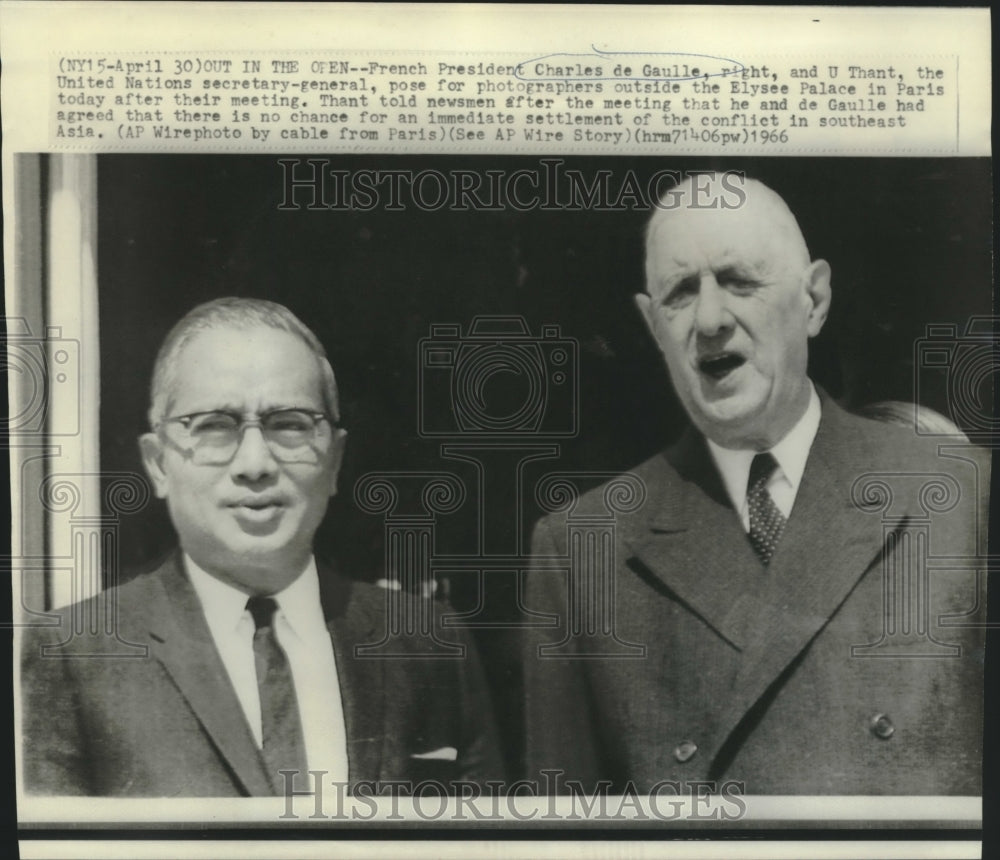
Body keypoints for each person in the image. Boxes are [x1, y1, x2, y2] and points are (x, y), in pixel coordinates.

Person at [522, 175, 988, 795]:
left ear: (814, 300)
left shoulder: (966, 499)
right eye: (681, 292)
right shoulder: (583, 549)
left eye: (740, 280)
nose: (711, 318)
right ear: (652, 324)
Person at [21, 297, 499, 797]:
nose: (255, 463)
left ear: (334, 461)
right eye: (214, 425)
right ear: (159, 462)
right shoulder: (75, 655)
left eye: (289, 424)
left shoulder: (425, 644)